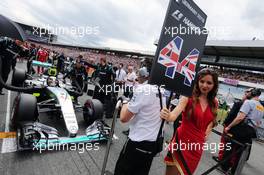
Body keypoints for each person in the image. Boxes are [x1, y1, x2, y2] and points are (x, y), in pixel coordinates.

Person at [161, 68, 219, 175]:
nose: (205, 85)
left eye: (209, 83)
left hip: (197, 147)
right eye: (202, 81)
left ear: (214, 85)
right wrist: (167, 115)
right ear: (197, 81)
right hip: (181, 142)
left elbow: (211, 121)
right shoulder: (187, 96)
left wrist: (207, 134)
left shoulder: (215, 102)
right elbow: (173, 116)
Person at [114, 65, 166, 175]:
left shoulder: (143, 89)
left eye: (140, 75)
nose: (138, 77)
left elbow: (124, 118)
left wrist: (124, 103)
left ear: (146, 75)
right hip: (152, 143)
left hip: (138, 142)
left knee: (122, 171)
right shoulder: (161, 89)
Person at [222, 88, 264, 174]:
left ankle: (224, 167)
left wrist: (228, 127)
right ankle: (234, 171)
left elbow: (240, 117)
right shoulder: (261, 107)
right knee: (240, 153)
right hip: (251, 131)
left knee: (229, 147)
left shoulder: (248, 102)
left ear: (252, 93)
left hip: (241, 129)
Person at [213, 88, 253, 163]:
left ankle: (221, 158)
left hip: (230, 126)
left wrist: (225, 123)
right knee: (234, 146)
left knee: (224, 142)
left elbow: (231, 115)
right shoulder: (251, 106)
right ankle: (230, 161)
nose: (244, 94)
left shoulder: (239, 103)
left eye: (246, 92)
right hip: (239, 129)